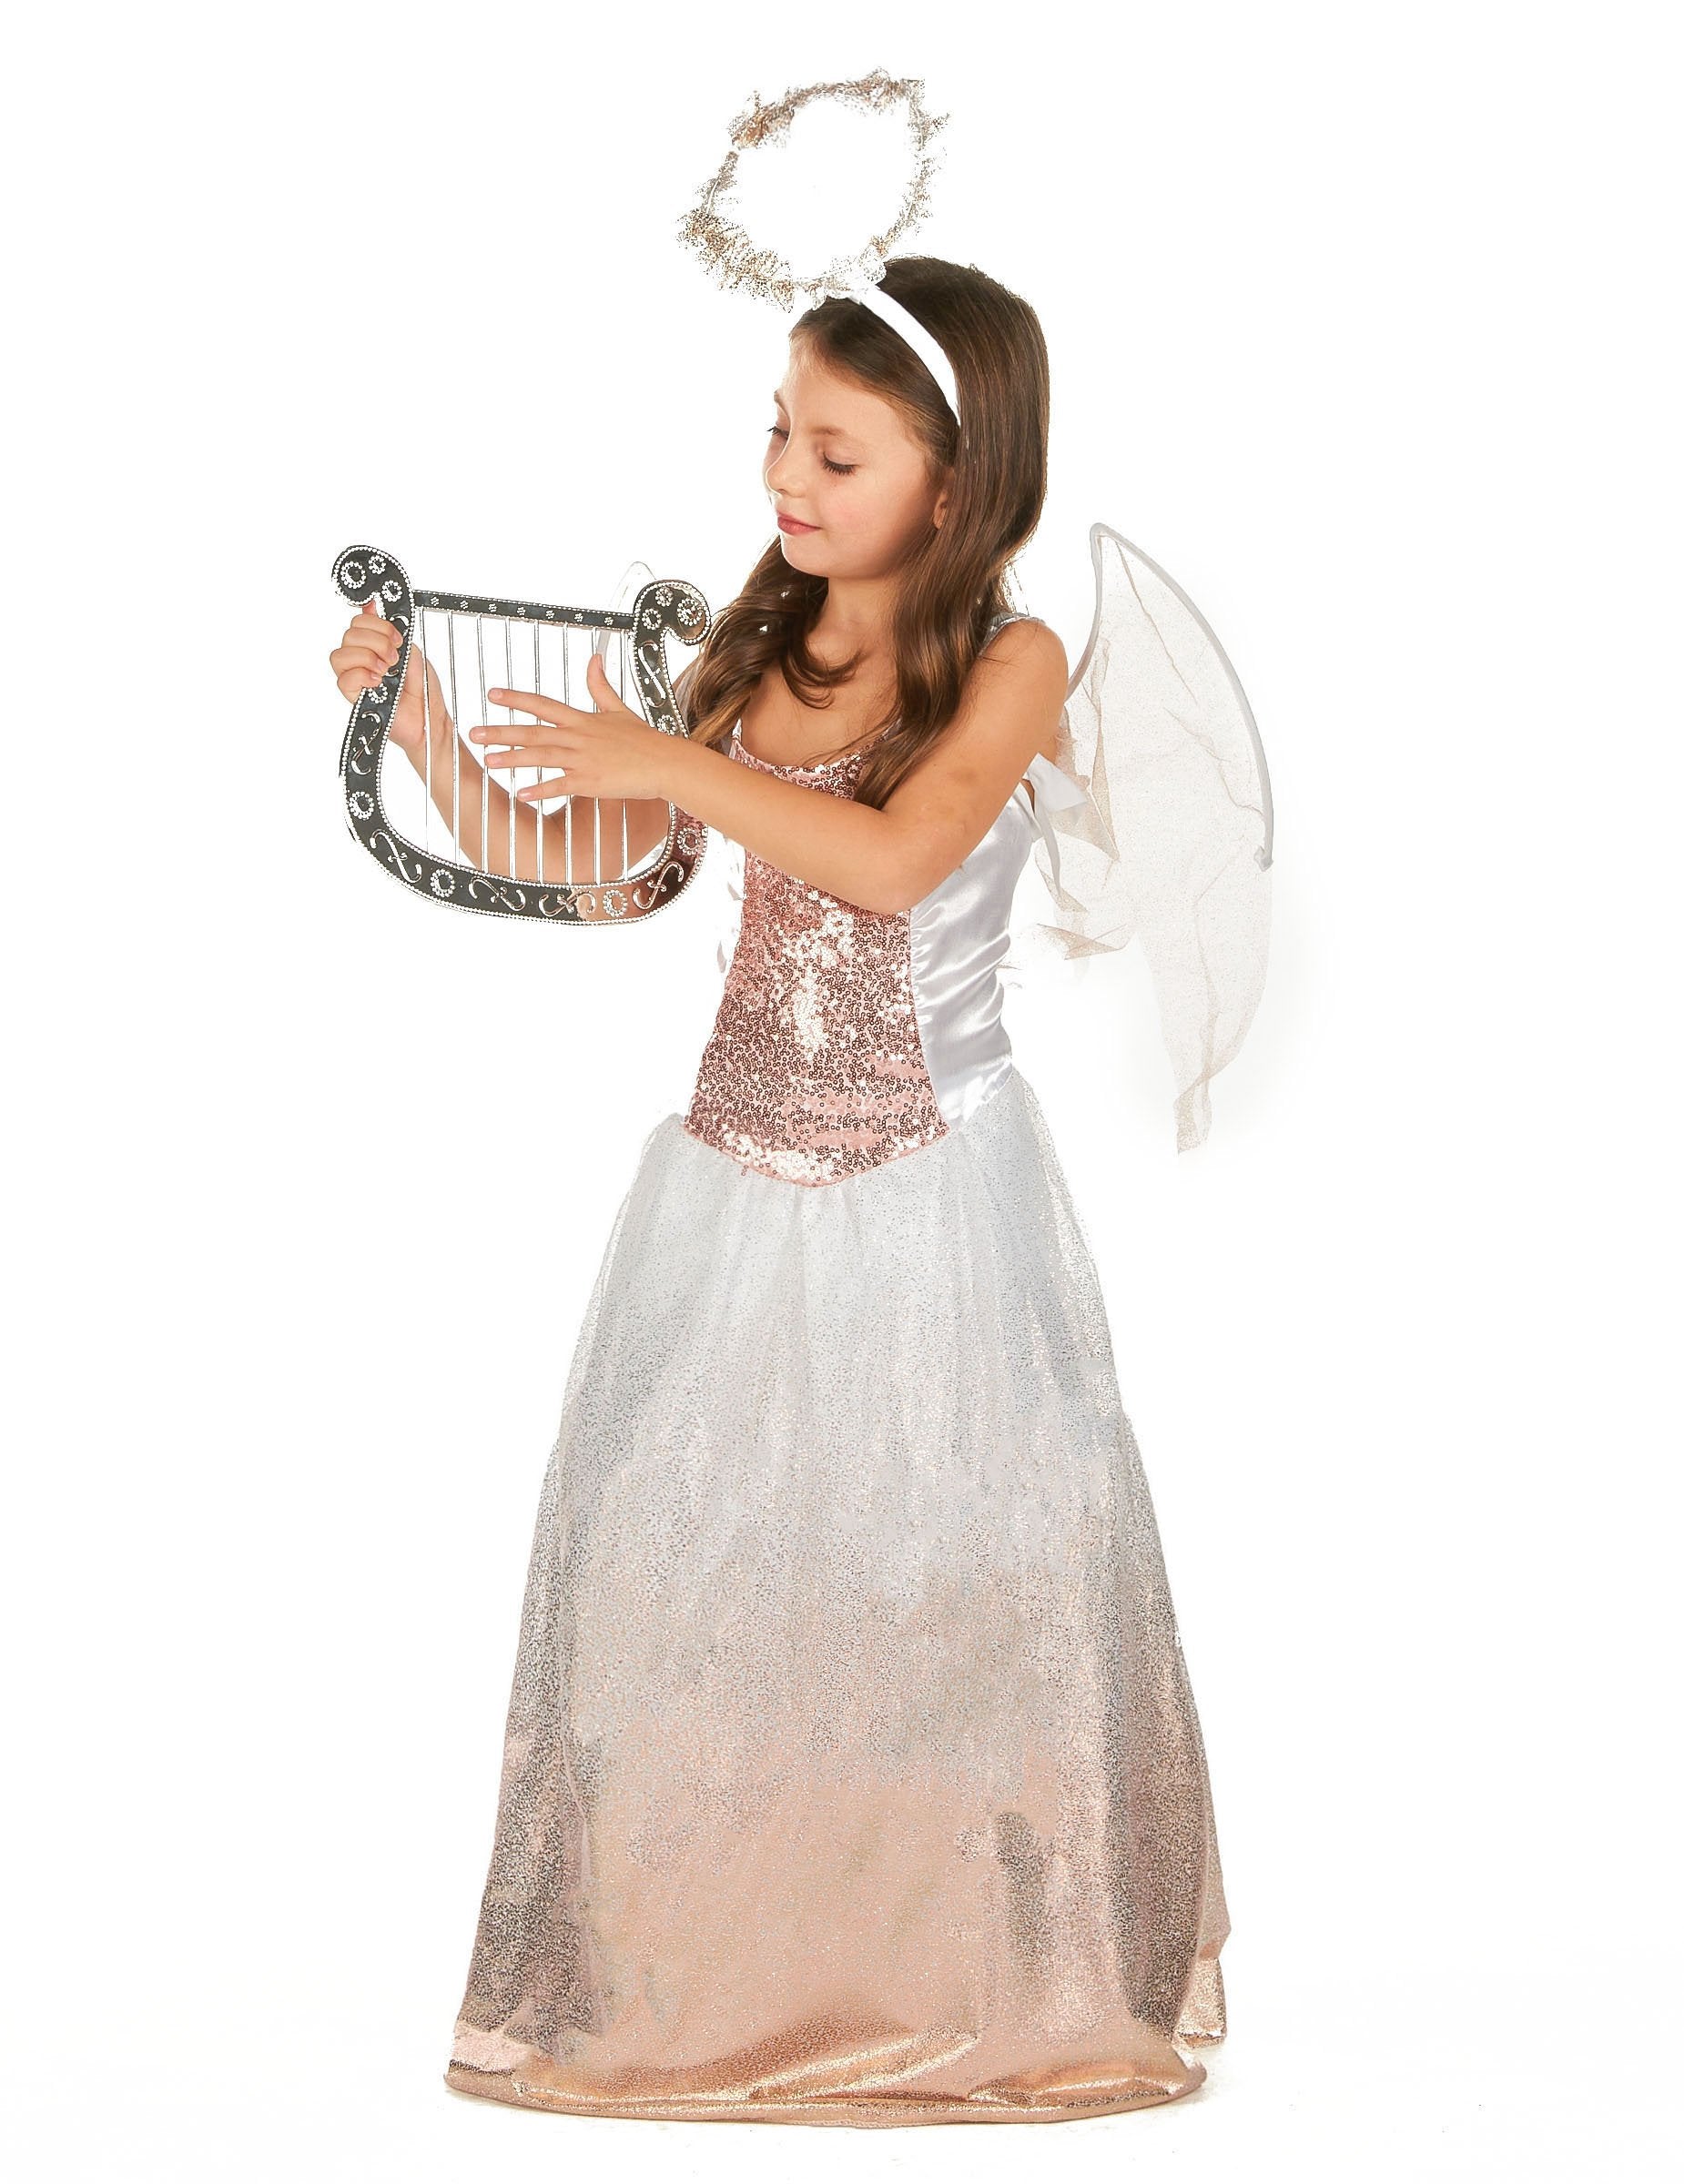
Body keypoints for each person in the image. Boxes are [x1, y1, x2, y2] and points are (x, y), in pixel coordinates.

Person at [328, 254, 1233, 2128]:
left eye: (835, 449)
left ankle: (974, 1985)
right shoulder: (756, 652)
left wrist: (669, 752)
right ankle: (729, 1978)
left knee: (953, 1591)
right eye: (776, 433)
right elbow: (609, 869)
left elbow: (895, 859)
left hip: (931, 1185)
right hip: (732, 1180)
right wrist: (420, 729)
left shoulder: (1010, 662)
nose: (783, 477)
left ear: (957, 483)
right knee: (686, 1586)